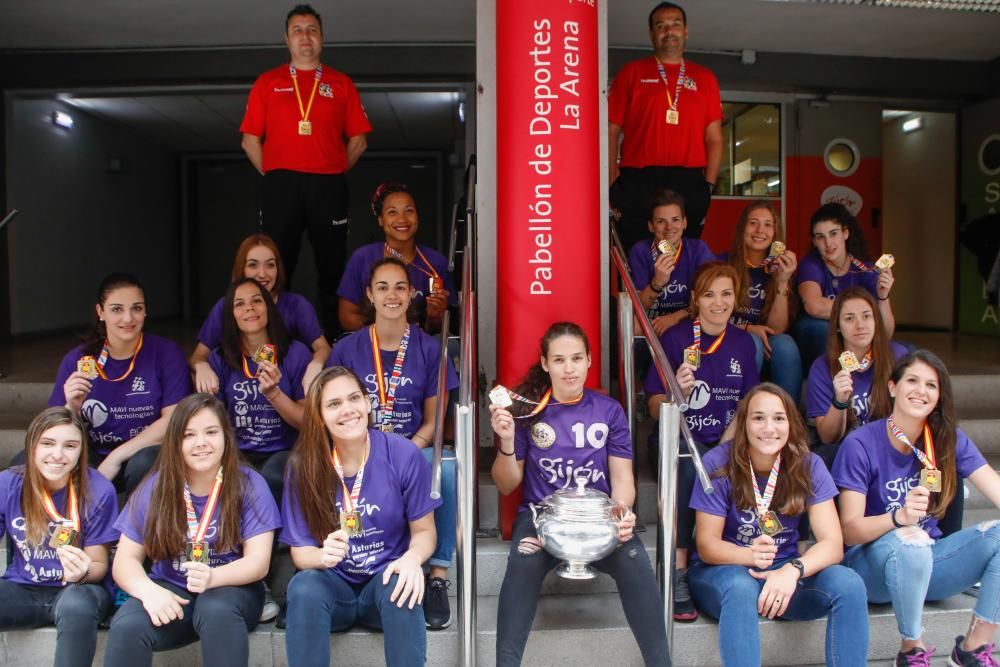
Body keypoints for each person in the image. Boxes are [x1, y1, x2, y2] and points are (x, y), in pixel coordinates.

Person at [489, 322, 669, 666]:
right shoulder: (528, 413)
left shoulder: (609, 410)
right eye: (559, 360)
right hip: (543, 520)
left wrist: (622, 512)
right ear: (545, 364)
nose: (568, 368)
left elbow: (622, 479)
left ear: (589, 361)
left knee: (635, 560)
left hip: (597, 520)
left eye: (576, 358)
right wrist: (508, 442)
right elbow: (507, 484)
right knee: (521, 564)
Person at [832, 349, 1000, 667]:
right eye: (912, 380)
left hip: (928, 562)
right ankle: (911, 650)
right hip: (871, 568)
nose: (921, 390)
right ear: (893, 387)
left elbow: (994, 486)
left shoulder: (947, 439)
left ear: (939, 396)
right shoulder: (860, 443)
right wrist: (899, 519)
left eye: (931, 385)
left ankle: (972, 650)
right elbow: (850, 530)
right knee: (912, 538)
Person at [687, 384, 869, 666]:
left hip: (784, 573)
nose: (768, 428)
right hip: (724, 571)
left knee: (849, 583)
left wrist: (792, 570)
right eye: (758, 418)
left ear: (791, 423)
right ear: (744, 423)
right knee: (740, 587)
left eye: (779, 418)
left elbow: (833, 545)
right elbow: (707, 545)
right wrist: (749, 556)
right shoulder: (718, 462)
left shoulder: (809, 464)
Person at [328, 257, 459, 630]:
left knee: (446, 466)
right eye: (382, 287)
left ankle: (436, 576)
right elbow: (329, 411)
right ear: (369, 294)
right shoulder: (348, 349)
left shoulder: (430, 349)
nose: (392, 295)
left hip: (411, 447)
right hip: (355, 452)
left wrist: (399, 450)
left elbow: (434, 423)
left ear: (411, 294)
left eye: (400, 287)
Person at [105, 393, 281, 667]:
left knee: (216, 610)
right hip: (172, 586)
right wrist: (148, 591)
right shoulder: (156, 486)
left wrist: (213, 577)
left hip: (232, 586)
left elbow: (258, 563)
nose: (201, 443)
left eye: (211, 432)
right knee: (128, 625)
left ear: (226, 436)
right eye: (189, 435)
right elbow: (125, 560)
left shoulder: (249, 484)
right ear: (175, 442)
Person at [281, 367, 440, 667]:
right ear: (318, 416)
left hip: (383, 582)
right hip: (334, 585)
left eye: (354, 398)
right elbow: (300, 553)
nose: (347, 410)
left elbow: (425, 532)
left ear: (368, 404)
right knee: (303, 587)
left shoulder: (403, 454)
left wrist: (411, 559)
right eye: (333, 404)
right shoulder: (303, 466)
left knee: (401, 580)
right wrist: (322, 556)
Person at [240, 3, 373, 339]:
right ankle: (271, 336)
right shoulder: (268, 83)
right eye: (298, 30)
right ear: (286, 39)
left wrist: (332, 169)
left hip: (328, 184)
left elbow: (358, 140)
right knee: (275, 262)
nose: (305, 36)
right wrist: (273, 173)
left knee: (332, 265)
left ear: (322, 39)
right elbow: (249, 141)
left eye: (312, 29)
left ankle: (334, 336)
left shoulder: (340, 84)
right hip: (281, 184)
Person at [646, 261, 759, 621]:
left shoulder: (743, 343)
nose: (718, 303)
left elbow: (748, 404)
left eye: (726, 294)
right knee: (686, 466)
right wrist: (675, 393)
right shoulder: (676, 338)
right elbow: (651, 407)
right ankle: (678, 569)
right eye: (709, 294)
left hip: (724, 439)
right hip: (677, 438)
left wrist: (727, 445)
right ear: (695, 299)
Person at [48, 273, 191, 495]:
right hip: (94, 455)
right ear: (100, 312)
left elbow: (173, 420)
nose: (128, 318)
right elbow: (54, 429)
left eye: (136, 308)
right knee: (33, 460)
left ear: (145, 310)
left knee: (144, 462)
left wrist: (116, 457)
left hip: (144, 454)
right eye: (117, 309)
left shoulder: (166, 353)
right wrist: (72, 407)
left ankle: (140, 528)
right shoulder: (78, 360)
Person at [0, 407, 119, 667]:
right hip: (23, 587)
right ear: (32, 445)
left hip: (78, 590)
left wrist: (82, 573)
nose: (58, 455)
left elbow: (98, 565)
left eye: (70, 445)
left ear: (81, 451)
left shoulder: (99, 489)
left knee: (77, 606)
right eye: (48, 443)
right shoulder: (8, 484)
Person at [608, 1, 722, 248]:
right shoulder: (631, 73)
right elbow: (611, 130)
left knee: (684, 254)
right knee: (635, 251)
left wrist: (708, 185)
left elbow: (713, 137)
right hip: (638, 179)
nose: (669, 31)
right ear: (652, 33)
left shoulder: (705, 78)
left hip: (689, 181)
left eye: (675, 24)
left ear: (686, 31)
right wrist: (611, 182)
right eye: (661, 26)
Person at [207, 277, 309, 506]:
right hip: (237, 452)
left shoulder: (295, 353)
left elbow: (307, 421)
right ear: (230, 315)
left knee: (271, 475)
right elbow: (212, 422)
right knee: (234, 479)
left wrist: (274, 393)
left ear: (268, 308)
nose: (249, 308)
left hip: (284, 451)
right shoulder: (219, 358)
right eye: (239, 304)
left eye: (256, 301)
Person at [189, 233, 329, 395]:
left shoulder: (296, 305)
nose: (262, 274)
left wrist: (315, 365)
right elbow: (198, 356)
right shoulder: (225, 305)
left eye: (270, 265)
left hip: (287, 389)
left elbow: (323, 348)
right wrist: (202, 366)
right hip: (240, 390)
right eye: (253, 265)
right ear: (241, 268)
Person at [338, 182, 456, 334]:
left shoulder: (435, 262)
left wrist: (434, 317)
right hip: (370, 345)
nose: (402, 219)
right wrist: (387, 332)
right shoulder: (362, 258)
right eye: (392, 212)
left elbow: (440, 329)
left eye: (409, 211)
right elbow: (346, 317)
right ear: (380, 219)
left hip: (417, 348)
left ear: (417, 216)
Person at [795, 203, 895, 371]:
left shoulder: (867, 269)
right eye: (820, 237)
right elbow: (814, 306)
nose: (828, 243)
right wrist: (863, 315)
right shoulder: (811, 264)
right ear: (814, 241)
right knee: (820, 328)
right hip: (816, 341)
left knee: (906, 350)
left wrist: (883, 297)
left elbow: (887, 332)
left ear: (845, 233)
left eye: (833, 234)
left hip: (857, 342)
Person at [722, 200, 801, 401]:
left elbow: (777, 328)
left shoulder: (782, 267)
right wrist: (748, 328)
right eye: (753, 223)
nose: (760, 230)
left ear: (775, 233)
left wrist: (782, 282)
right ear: (742, 228)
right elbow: (709, 315)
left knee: (785, 343)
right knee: (752, 342)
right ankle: (744, 416)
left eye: (768, 225)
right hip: (730, 337)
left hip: (768, 342)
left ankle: (788, 417)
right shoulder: (723, 263)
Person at [627, 188, 715, 336]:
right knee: (634, 325)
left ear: (684, 223)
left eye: (675, 220)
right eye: (661, 221)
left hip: (689, 319)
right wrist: (656, 284)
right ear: (651, 226)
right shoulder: (641, 251)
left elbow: (713, 297)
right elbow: (636, 308)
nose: (669, 227)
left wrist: (675, 317)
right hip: (654, 324)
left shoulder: (698, 249)